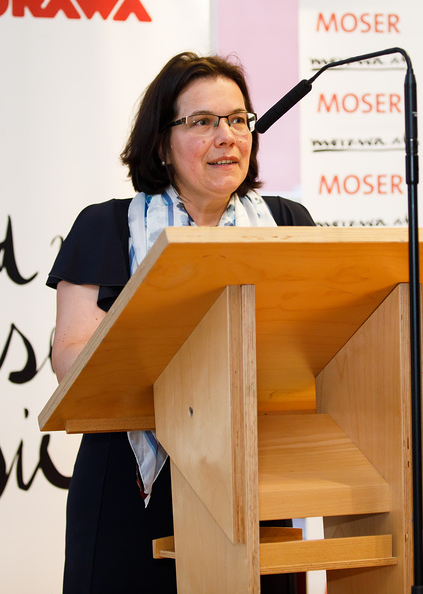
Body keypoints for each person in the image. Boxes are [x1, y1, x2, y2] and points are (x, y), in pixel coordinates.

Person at [47, 51, 313, 593]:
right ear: (160, 144)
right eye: (203, 121)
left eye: (237, 120)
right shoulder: (106, 227)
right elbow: (71, 358)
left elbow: (317, 347)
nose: (227, 137)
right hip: (131, 488)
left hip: (254, 480)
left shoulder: (287, 223)